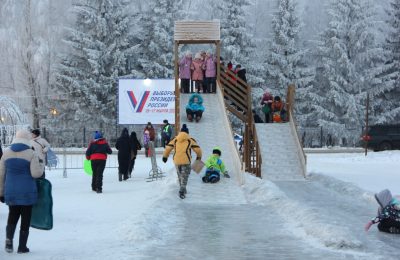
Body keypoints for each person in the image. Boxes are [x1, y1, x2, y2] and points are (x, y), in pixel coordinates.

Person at [0, 129, 44, 254]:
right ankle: (22, 246)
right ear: (27, 139)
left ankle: (9, 241)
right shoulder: (31, 153)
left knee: (12, 216)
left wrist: (1, 192)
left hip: (11, 191)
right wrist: (40, 164)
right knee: (25, 218)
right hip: (27, 192)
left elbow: (1, 174)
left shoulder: (6, 153)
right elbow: (36, 174)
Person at [162, 124, 202, 199]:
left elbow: (168, 148)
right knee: (185, 176)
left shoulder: (175, 139)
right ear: (187, 132)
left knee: (180, 175)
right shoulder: (190, 140)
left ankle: (183, 189)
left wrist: (165, 156)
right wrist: (199, 157)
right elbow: (198, 149)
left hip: (176, 160)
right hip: (186, 160)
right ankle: (182, 191)